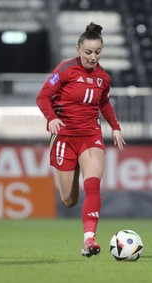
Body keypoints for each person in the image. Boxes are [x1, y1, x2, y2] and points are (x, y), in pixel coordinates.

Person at [36, 22, 125, 258]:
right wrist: (52, 118)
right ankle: (73, 170)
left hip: (90, 136)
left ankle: (89, 240)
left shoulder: (103, 77)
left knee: (93, 184)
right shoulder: (65, 70)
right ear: (78, 50)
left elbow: (104, 103)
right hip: (64, 137)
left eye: (97, 52)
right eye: (88, 52)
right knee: (68, 200)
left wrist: (115, 127)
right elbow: (43, 97)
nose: (92, 57)